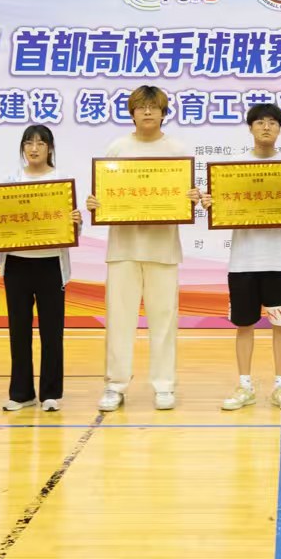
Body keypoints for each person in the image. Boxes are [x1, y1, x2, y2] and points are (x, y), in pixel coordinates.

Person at [85, 86, 197, 412]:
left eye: (154, 107)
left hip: (163, 249)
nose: (148, 112)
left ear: (163, 113)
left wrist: (191, 198)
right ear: (132, 113)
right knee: (119, 321)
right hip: (123, 248)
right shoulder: (118, 147)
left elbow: (186, 196)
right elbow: (105, 193)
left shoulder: (177, 150)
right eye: (141, 107)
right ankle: (115, 385)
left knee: (164, 321)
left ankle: (164, 385)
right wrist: (96, 204)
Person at [204, 104, 281, 413]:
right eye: (260, 122)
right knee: (243, 325)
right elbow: (221, 206)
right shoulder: (234, 168)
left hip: (280, 259)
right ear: (250, 128)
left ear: (280, 129)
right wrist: (212, 203)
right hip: (243, 261)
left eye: (272, 122)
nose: (266, 127)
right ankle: (244, 385)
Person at [0, 125, 82, 412]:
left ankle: (50, 393)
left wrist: (76, 221)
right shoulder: (9, 181)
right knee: (18, 330)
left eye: (41, 143)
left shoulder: (61, 181)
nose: (34, 148)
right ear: (22, 148)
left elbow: (72, 228)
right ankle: (21, 393)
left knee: (52, 331)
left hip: (51, 264)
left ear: (50, 148)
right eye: (29, 143)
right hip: (16, 263)